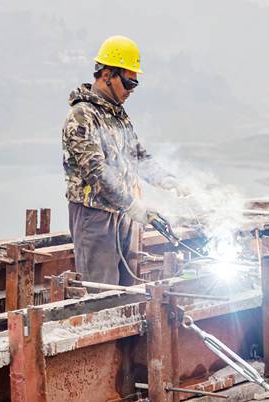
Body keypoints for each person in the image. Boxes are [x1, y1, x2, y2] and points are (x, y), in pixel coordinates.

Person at [62, 35, 188, 286]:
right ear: (107, 74)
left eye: (135, 84)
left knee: (129, 291)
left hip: (125, 216)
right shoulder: (81, 116)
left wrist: (168, 180)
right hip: (95, 218)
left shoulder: (117, 116)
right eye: (128, 82)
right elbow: (96, 173)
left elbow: (138, 157)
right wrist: (134, 206)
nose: (131, 90)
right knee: (103, 292)